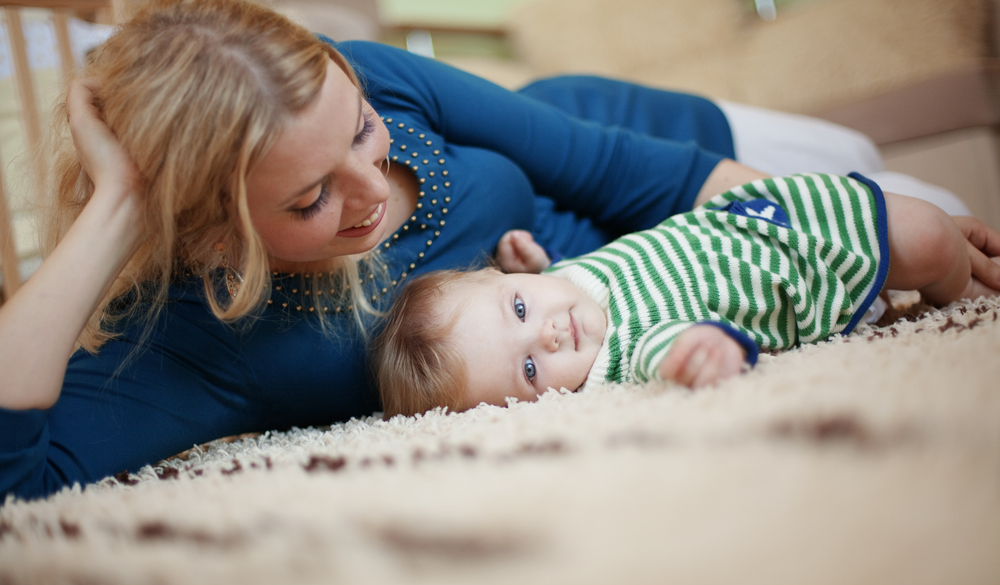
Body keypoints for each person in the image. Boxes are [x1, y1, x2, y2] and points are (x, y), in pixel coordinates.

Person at [2, 0, 998, 500]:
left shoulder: (383, 78)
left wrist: (818, 218)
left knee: (894, 188)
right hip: (656, 303)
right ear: (219, 230)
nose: (367, 193)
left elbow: (617, 168)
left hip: (659, 178)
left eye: (359, 134)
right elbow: (19, 475)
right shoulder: (198, 333)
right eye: (311, 198)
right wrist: (119, 206)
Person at [372, 173, 1000, 417]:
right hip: (807, 271)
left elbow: (567, 275)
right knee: (924, 235)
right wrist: (700, 348)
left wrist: (537, 262)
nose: (549, 332)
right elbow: (662, 347)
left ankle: (944, 252)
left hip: (765, 214)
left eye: (517, 309)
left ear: (514, 281)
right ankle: (962, 292)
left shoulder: (562, 284)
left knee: (920, 214)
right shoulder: (619, 355)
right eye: (530, 367)